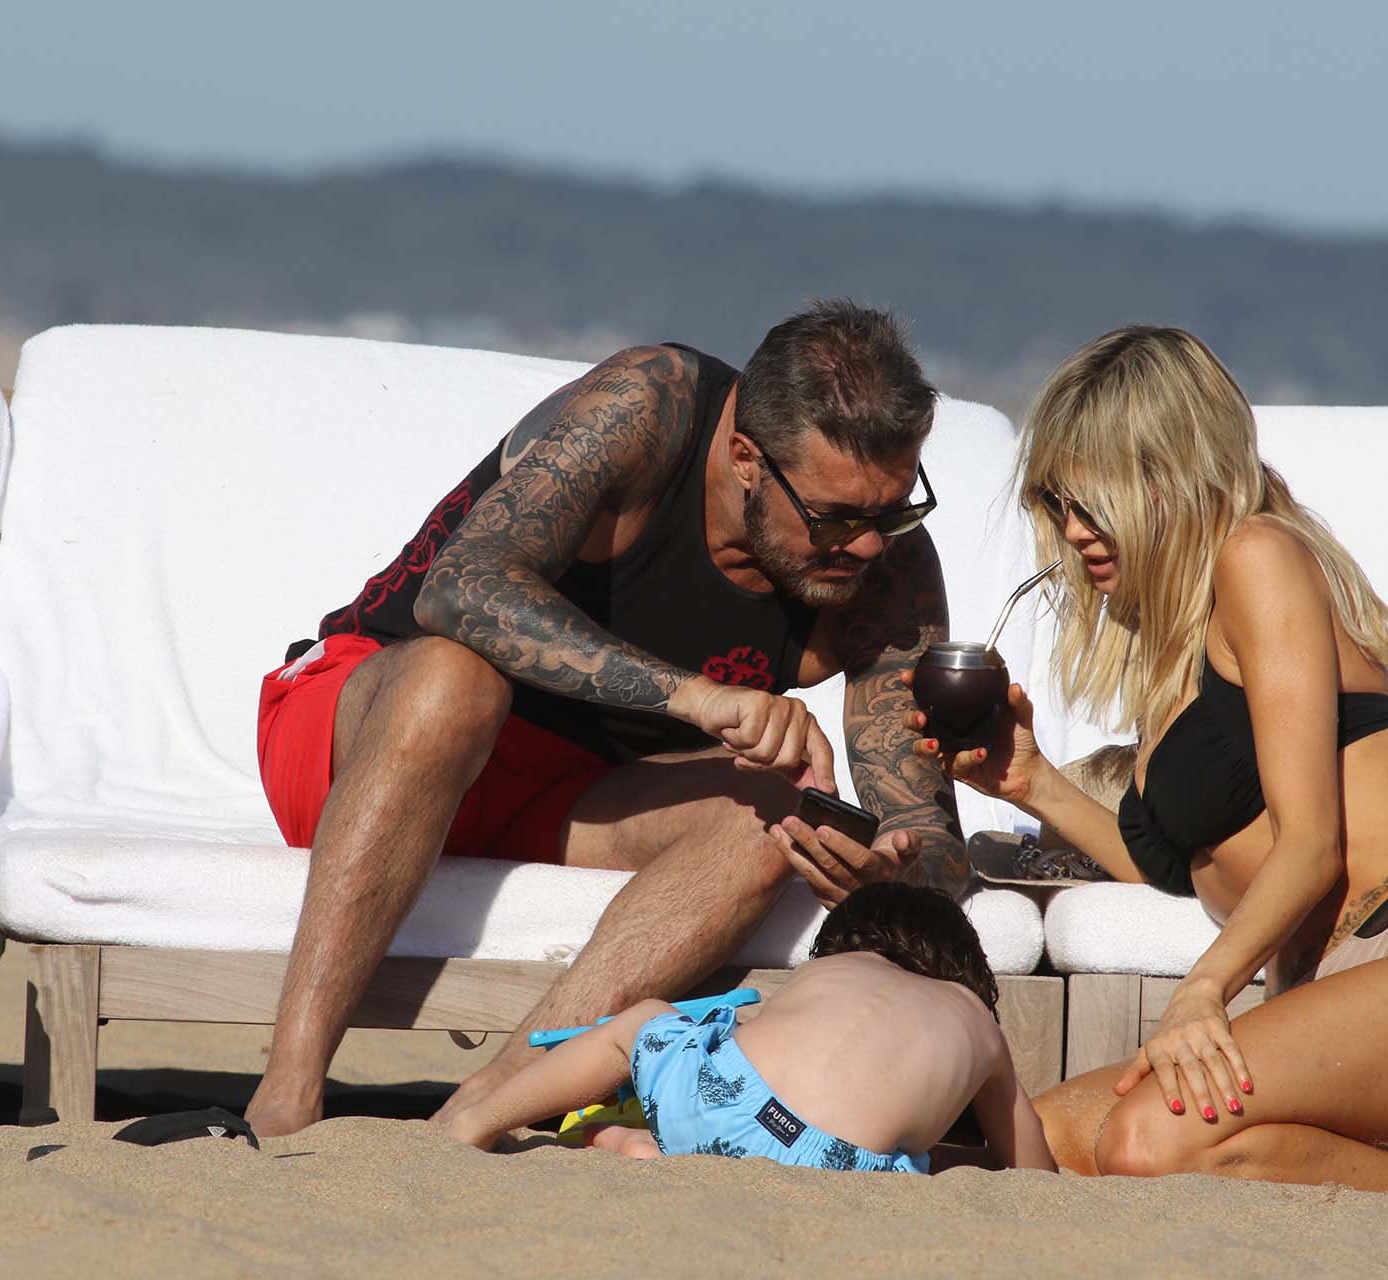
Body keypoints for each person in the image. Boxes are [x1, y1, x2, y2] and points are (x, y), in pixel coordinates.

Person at [246, 301, 969, 1138]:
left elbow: (932, 832)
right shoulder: (650, 407)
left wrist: (890, 873)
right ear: (744, 458)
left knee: (779, 809)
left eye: (892, 513)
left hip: (572, 798)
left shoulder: (887, 574)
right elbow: (461, 587)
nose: (869, 546)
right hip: (371, 734)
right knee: (456, 679)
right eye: (836, 518)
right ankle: (289, 1092)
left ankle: (491, 1100)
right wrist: (695, 697)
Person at [912, 326, 1388, 1206]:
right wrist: (1030, 782)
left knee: (1147, 1142)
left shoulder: (1258, 557)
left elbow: (1312, 845)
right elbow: (1173, 869)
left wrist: (1203, 992)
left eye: (1095, 502)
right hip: (1332, 1006)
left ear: (1172, 475)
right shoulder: (1172, 649)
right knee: (1027, 1140)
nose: (1074, 534)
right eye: (1059, 507)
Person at [443, 883, 1057, 1174]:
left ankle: (485, 1118)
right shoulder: (978, 1024)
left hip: (728, 1104)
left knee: (638, 1023)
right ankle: (638, 1151)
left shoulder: (842, 965)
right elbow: (1033, 1175)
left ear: (849, 936)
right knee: (921, 1161)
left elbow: (761, 1055)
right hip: (841, 1172)